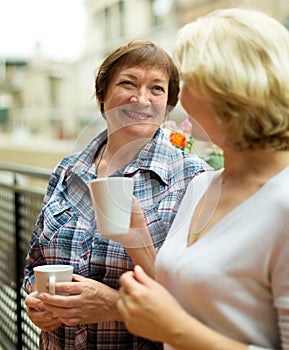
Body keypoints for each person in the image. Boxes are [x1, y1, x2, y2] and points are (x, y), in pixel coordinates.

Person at [116, 8, 289, 350]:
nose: (177, 97)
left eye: (187, 80)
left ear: (227, 90)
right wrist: (136, 236)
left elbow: (175, 323)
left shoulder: (283, 204)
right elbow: (186, 294)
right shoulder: (202, 185)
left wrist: (175, 329)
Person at [22, 39, 207, 350]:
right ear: (102, 94)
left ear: (168, 106)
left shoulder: (193, 178)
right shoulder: (67, 171)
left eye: (157, 89)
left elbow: (199, 303)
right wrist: (35, 302)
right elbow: (34, 265)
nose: (141, 99)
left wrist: (115, 305)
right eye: (128, 83)